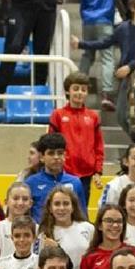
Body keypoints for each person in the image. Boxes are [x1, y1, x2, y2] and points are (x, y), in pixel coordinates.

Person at [48, 72, 105, 205]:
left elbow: (98, 146)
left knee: (82, 211)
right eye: (76, 89)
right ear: (68, 91)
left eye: (83, 89)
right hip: (64, 172)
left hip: (86, 174)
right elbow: (51, 144)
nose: (79, 93)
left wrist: (98, 171)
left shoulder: (93, 117)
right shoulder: (58, 115)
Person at [36, 187, 95, 269]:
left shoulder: (88, 228)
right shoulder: (44, 234)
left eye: (66, 203)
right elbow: (39, 268)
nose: (62, 208)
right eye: (57, 204)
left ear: (73, 207)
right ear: (50, 208)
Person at [0, 0, 56, 89]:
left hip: (47, 5)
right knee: (13, 48)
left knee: (43, 54)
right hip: (21, 5)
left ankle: (39, 94)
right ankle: (0, 92)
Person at [27, 133, 88, 223]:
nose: (56, 157)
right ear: (42, 157)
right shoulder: (30, 183)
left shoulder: (75, 182)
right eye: (51, 153)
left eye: (60, 153)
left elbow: (82, 216)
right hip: (41, 234)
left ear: (65, 155)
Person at [73, 0, 117, 109]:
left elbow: (82, 3)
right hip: (105, 19)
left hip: (88, 20)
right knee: (107, 58)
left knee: (87, 55)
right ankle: (107, 94)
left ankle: (77, 86)